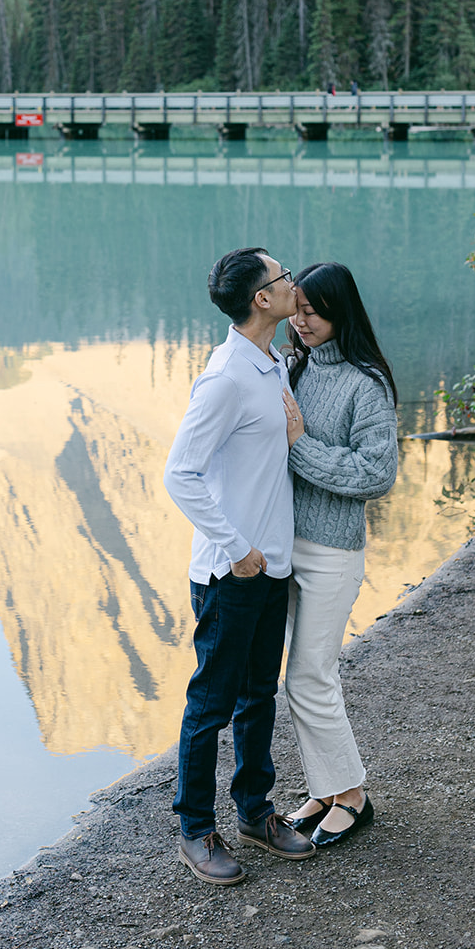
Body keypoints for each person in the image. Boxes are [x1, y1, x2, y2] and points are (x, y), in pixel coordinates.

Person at [163, 247, 315, 885]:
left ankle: (254, 811)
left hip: (271, 564)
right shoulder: (226, 377)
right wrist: (237, 549)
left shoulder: (271, 363)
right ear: (261, 299)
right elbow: (180, 474)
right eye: (282, 277)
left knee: (259, 695)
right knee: (211, 704)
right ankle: (196, 831)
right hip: (234, 573)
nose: (291, 283)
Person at [279, 261, 398, 849]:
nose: (301, 321)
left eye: (314, 311)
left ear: (340, 310)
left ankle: (352, 795)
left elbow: (376, 474)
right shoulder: (292, 369)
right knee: (298, 677)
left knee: (309, 674)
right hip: (282, 545)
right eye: (295, 308)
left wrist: (300, 445)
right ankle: (324, 789)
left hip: (331, 551)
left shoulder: (365, 382)